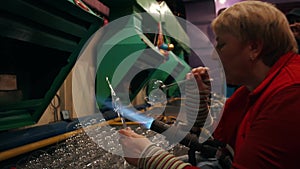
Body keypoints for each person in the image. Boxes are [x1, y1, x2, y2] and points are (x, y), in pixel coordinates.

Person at [119, 1, 300, 169]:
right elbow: (216, 141)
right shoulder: (252, 89)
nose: (214, 56)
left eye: (221, 45)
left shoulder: (290, 97)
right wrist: (199, 99)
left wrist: (151, 157)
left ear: (254, 48)